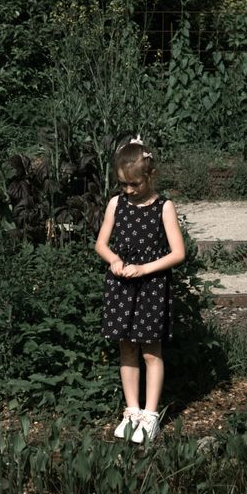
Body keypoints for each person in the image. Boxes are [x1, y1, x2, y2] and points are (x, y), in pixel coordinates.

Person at [95, 135, 185, 443]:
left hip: (151, 287)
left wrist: (144, 268)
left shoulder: (164, 207)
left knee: (151, 350)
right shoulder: (116, 204)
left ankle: (150, 414)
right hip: (122, 287)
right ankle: (131, 410)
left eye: (135, 185)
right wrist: (115, 260)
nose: (129, 190)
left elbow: (177, 253)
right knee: (127, 347)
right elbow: (101, 244)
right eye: (124, 184)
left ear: (151, 176)